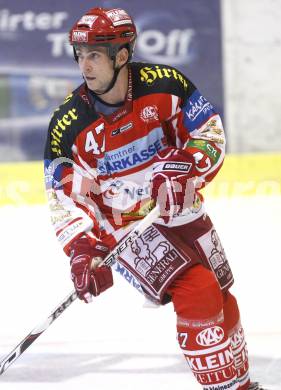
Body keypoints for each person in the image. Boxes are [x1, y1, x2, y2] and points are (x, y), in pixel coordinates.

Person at [44, 7, 265, 390]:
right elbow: (63, 196)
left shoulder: (167, 84)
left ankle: (242, 384)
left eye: (95, 54)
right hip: (127, 228)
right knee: (198, 289)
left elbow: (208, 134)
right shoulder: (68, 124)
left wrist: (187, 166)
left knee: (221, 292)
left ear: (122, 55)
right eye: (80, 55)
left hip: (181, 209)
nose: (85, 65)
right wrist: (83, 249)